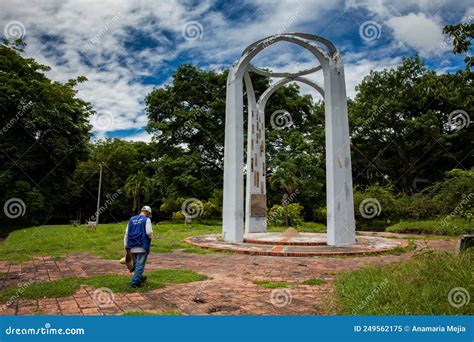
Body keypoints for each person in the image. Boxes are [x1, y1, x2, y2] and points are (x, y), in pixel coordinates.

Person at [124, 205, 153, 288]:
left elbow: (127, 232)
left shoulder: (132, 219)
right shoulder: (146, 219)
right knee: (140, 264)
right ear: (147, 212)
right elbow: (149, 233)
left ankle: (140, 277)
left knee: (136, 263)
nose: (149, 216)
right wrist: (151, 238)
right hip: (142, 245)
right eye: (149, 214)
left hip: (132, 245)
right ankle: (135, 282)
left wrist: (126, 245)